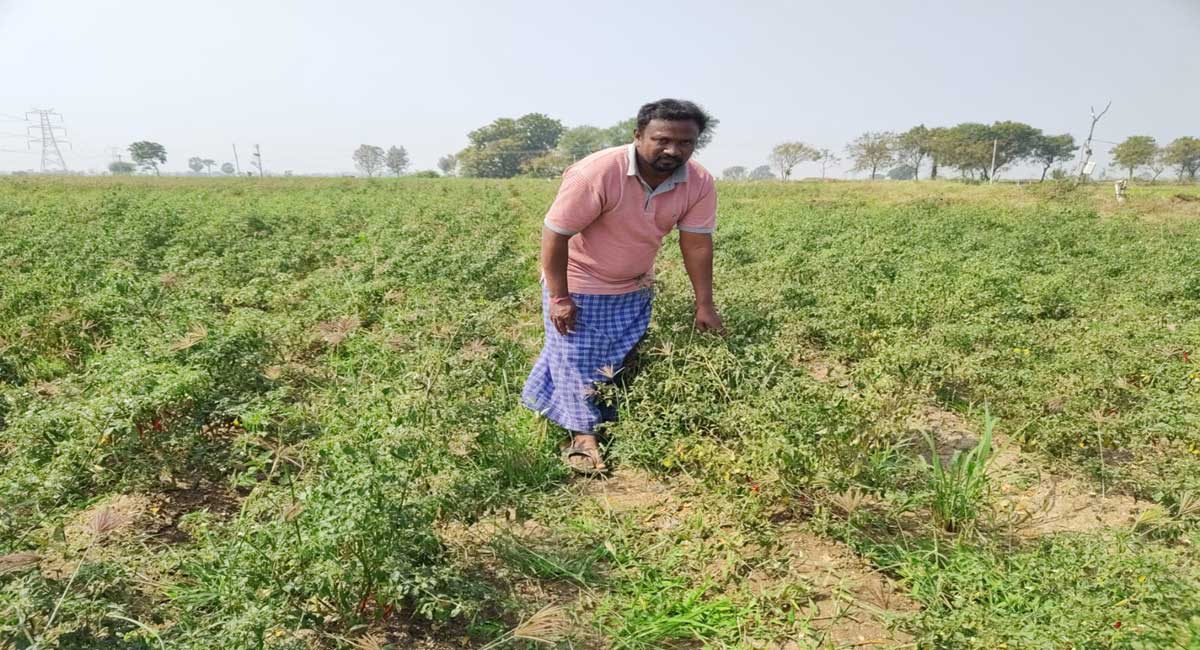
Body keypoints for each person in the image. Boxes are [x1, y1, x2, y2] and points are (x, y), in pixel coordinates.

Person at [521, 98, 722, 475]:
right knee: (575, 358)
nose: (673, 150)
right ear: (637, 136)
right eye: (661, 140)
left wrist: (704, 304)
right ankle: (582, 437)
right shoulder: (597, 173)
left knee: (617, 360)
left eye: (685, 143)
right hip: (578, 281)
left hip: (634, 286)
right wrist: (559, 296)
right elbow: (555, 234)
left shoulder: (698, 182)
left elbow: (696, 243)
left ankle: (583, 413)